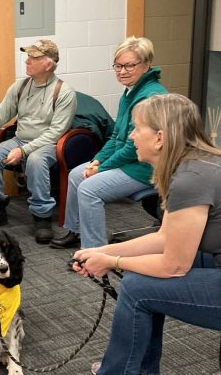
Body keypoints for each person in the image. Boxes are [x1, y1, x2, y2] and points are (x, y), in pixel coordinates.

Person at [71, 93, 221, 374]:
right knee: (141, 279)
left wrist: (111, 262)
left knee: (137, 289)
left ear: (160, 137)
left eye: (137, 128)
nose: (131, 137)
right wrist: (102, 251)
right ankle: (139, 370)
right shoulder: (197, 164)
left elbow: (173, 265)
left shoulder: (191, 179)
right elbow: (164, 238)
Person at [50, 36, 168, 249]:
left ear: (146, 64)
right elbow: (116, 137)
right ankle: (75, 231)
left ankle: (94, 250)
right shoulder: (130, 91)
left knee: (89, 189)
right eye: (118, 65)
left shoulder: (150, 97)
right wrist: (97, 161)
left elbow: (133, 148)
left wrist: (102, 168)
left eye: (129, 65)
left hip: (144, 167)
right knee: (77, 173)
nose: (122, 71)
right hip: (129, 162)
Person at [0, 39, 77, 244]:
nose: (27, 61)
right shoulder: (20, 87)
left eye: (33, 57)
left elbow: (55, 133)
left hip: (48, 145)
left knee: (35, 160)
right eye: (27, 56)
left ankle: (42, 217)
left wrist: (24, 151)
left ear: (49, 64)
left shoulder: (64, 92)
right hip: (20, 139)